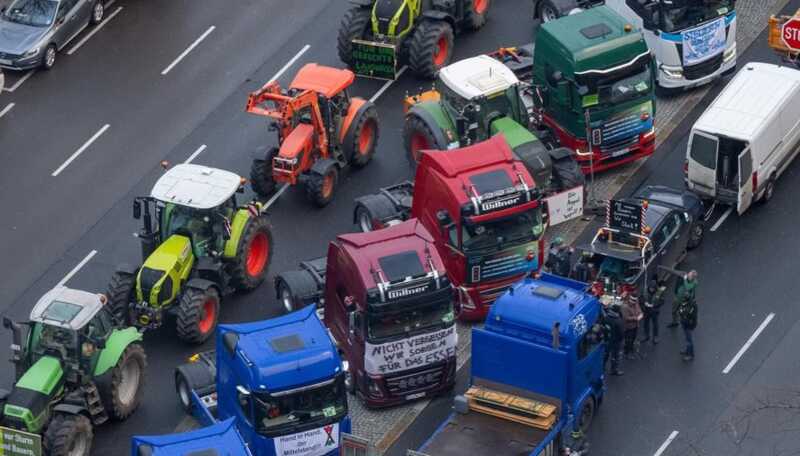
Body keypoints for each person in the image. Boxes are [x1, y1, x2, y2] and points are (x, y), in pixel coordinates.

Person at [678, 277, 699, 361]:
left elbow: (688, 315)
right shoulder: (686, 304)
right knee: (687, 339)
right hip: (685, 322)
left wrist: (683, 314)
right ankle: (687, 351)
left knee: (689, 340)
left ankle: (691, 354)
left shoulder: (691, 306)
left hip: (689, 324)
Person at [602, 302, 625, 375]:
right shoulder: (618, 321)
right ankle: (614, 369)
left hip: (607, 339)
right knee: (615, 355)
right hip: (616, 341)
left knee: (606, 354)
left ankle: (602, 367)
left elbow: (603, 327)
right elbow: (621, 333)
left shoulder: (606, 318)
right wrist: (621, 339)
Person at [641, 278, 666, 344]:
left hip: (654, 310)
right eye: (650, 288)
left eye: (653, 288)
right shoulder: (645, 290)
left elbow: (662, 301)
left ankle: (655, 337)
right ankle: (646, 335)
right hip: (646, 310)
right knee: (646, 323)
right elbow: (641, 298)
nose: (651, 289)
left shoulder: (659, 292)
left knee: (655, 324)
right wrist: (644, 303)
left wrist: (654, 305)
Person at [621, 289, 642, 359]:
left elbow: (638, 309)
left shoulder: (635, 303)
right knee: (628, 340)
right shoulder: (625, 306)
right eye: (632, 301)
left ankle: (630, 348)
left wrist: (640, 314)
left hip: (635, 325)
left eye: (635, 301)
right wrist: (636, 318)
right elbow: (626, 318)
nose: (634, 302)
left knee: (633, 338)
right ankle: (626, 353)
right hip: (628, 327)